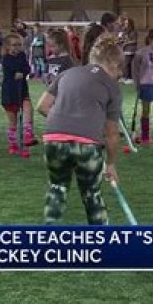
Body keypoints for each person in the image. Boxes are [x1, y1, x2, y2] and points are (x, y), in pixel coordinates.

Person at [35, 37, 123, 225]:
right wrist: (110, 164)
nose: (120, 73)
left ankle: (49, 234)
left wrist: (65, 122)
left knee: (57, 188)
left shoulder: (67, 74)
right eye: (120, 68)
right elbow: (111, 133)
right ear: (113, 64)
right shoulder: (112, 87)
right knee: (91, 194)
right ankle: (100, 239)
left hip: (53, 139)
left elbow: (42, 106)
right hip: (87, 145)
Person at [0, 34, 35, 157]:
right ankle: (13, 145)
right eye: (14, 45)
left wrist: (22, 72)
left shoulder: (22, 55)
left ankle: (27, 139)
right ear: (7, 47)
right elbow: (14, 68)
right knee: (13, 122)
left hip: (22, 90)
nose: (17, 47)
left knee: (28, 110)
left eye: (19, 45)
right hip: (9, 93)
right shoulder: (6, 58)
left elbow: (27, 68)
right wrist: (21, 70)